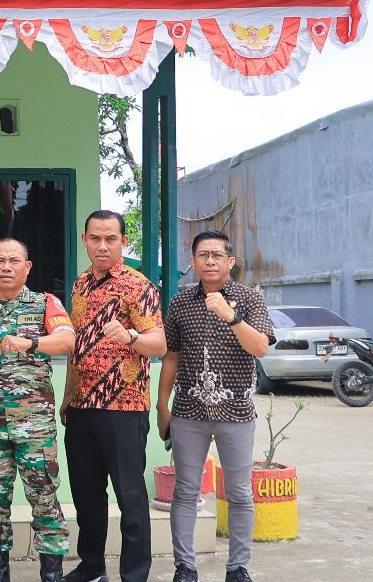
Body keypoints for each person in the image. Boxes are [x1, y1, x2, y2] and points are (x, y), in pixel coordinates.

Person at [158, 230, 273, 582]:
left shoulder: (249, 299)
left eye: (217, 255)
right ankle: (185, 567)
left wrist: (231, 316)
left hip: (235, 412)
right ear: (193, 262)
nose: (210, 261)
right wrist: (162, 405)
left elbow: (261, 347)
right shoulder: (181, 301)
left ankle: (237, 568)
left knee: (238, 492)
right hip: (188, 411)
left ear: (230, 261)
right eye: (203, 255)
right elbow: (172, 355)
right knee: (185, 490)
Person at [0, 238, 74, 582]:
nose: (6, 267)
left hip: (34, 427)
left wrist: (30, 342)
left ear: (27, 267)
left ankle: (51, 574)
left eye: (14, 260)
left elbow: (67, 340)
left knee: (44, 498)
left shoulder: (45, 303)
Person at [60, 210, 166, 582]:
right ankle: (91, 567)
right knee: (87, 495)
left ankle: (134, 574)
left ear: (123, 241)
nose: (102, 246)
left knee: (130, 496)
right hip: (81, 407)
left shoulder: (139, 286)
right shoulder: (79, 285)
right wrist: (67, 396)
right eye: (95, 238)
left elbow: (159, 343)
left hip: (123, 407)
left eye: (110, 239)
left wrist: (131, 336)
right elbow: (75, 347)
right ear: (84, 240)